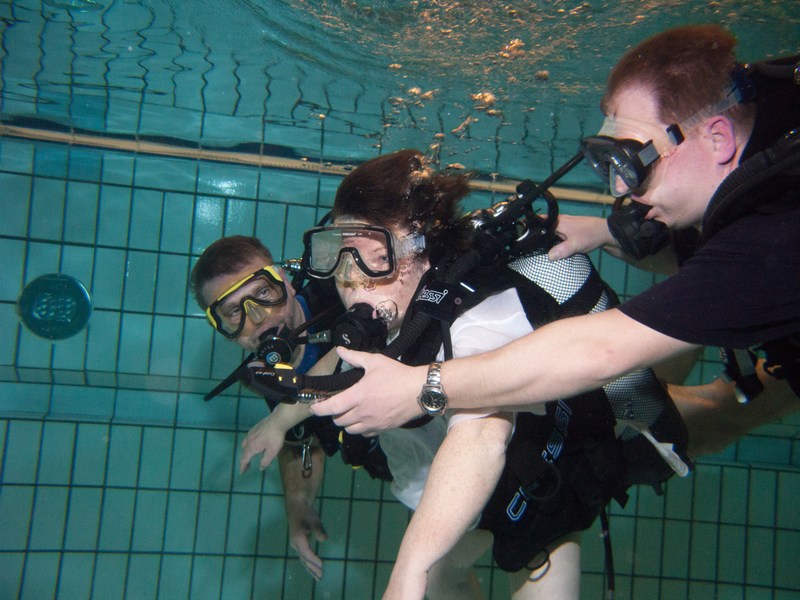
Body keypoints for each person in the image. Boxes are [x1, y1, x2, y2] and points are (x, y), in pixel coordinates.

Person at [308, 25, 800, 451]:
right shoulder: (767, 191)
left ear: (718, 138)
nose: (621, 191)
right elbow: (708, 268)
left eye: (634, 163)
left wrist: (421, 388)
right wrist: (605, 231)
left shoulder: (777, 233)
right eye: (607, 162)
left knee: (700, 418)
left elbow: (600, 351)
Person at [254, 149, 689, 599]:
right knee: (445, 578)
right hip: (455, 500)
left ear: (420, 249)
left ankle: (725, 395)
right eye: (336, 257)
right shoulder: (382, 314)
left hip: (533, 488)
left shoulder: (480, 314)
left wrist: (410, 567)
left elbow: (480, 437)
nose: (352, 281)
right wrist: (280, 420)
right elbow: (341, 360)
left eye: (376, 257)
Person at [190, 235, 391, 580]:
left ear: (285, 281)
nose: (257, 317)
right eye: (234, 311)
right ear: (223, 330)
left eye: (263, 292)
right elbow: (301, 441)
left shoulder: (337, 294)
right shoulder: (269, 373)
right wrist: (298, 503)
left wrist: (280, 419)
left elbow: (359, 348)